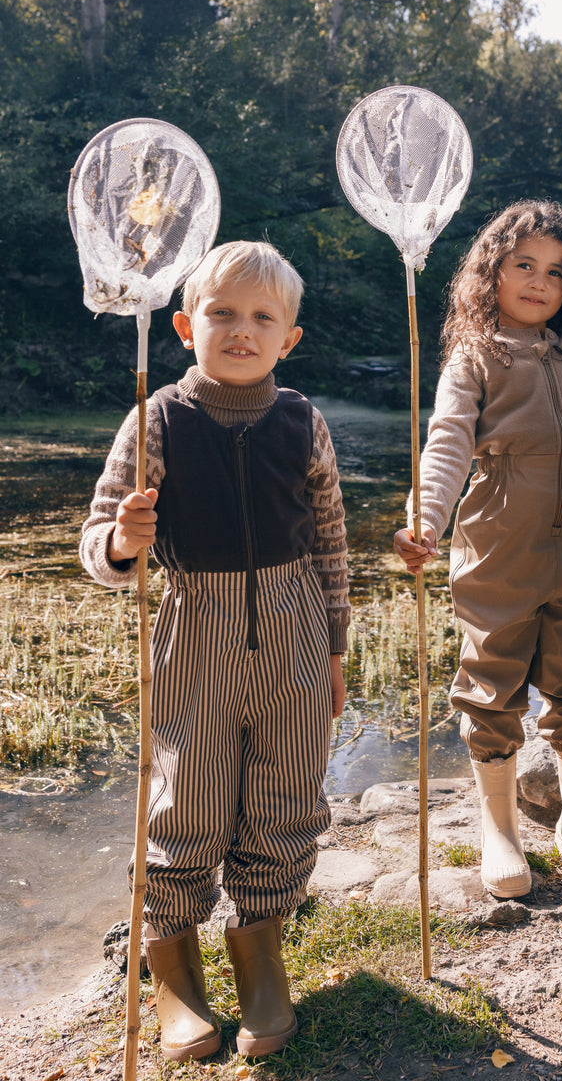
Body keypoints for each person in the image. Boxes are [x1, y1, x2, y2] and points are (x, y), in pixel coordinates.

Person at [80, 241, 349, 1061]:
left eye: (262, 317)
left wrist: (335, 647)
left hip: (297, 627)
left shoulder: (304, 419)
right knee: (186, 798)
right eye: (223, 315)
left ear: (289, 337)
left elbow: (332, 539)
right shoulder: (155, 418)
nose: (242, 330)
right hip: (196, 628)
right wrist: (122, 544)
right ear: (187, 325)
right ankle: (174, 971)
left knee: (287, 791)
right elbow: (97, 546)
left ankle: (261, 955)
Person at [394, 200, 562, 899]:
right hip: (499, 545)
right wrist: (424, 520)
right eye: (522, 264)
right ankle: (500, 830)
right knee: (490, 684)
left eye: (555, 272)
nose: (537, 281)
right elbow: (447, 447)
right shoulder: (476, 356)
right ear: (490, 272)